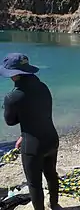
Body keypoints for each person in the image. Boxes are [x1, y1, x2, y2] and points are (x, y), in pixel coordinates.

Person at [0, 53, 60, 210]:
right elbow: (40, 114)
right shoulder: (43, 87)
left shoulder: (12, 97)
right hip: (51, 139)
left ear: (15, 75)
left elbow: (10, 121)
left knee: (34, 184)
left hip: (33, 145)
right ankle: (54, 205)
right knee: (51, 175)